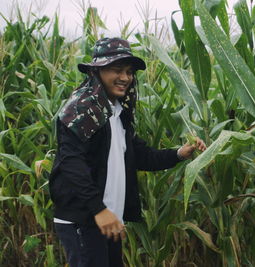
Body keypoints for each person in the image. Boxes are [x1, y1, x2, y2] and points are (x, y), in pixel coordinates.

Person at [49, 37, 206, 267]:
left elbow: (140, 156)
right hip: (85, 219)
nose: (125, 78)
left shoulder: (116, 111)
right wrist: (98, 209)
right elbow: (71, 163)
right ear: (97, 71)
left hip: (109, 219)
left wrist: (180, 153)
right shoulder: (82, 109)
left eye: (129, 71)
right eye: (117, 70)